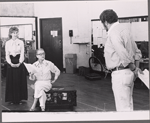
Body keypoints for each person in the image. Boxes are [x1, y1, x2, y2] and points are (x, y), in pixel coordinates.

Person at [99, 9, 143, 111]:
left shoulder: (113, 32)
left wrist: (133, 68)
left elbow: (122, 53)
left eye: (103, 23)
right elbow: (137, 52)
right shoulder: (126, 30)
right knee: (128, 105)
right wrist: (136, 69)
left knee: (122, 109)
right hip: (128, 75)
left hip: (120, 74)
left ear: (105, 22)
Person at [5, 26, 28, 104]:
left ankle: (19, 99)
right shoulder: (7, 43)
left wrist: (20, 62)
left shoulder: (21, 42)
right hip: (10, 62)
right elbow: (7, 54)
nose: (15, 34)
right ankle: (11, 99)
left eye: (16, 33)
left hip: (19, 61)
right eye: (13, 33)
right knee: (11, 81)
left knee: (19, 80)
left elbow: (22, 53)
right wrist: (10, 63)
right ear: (10, 33)